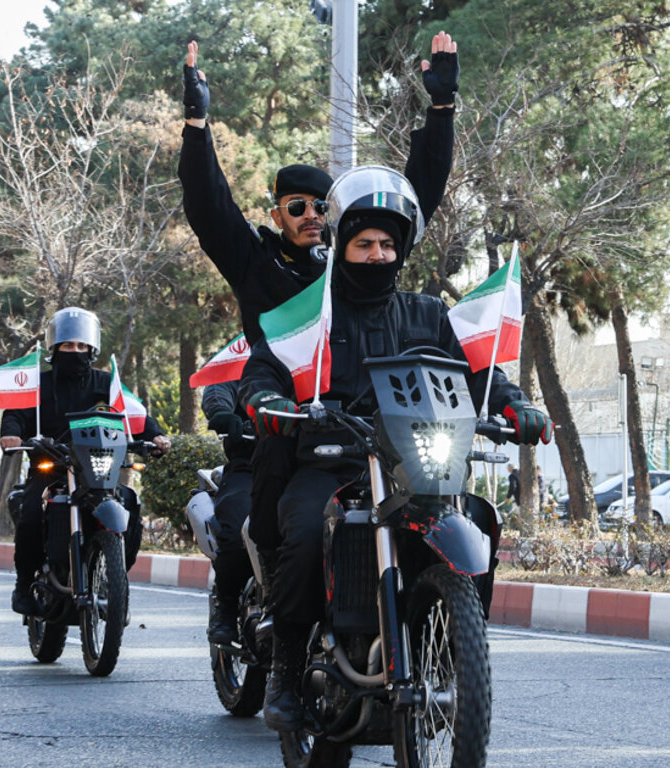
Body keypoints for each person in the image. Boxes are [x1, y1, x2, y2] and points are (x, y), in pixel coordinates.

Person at [241, 165, 554, 732]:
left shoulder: (428, 313)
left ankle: (451, 648)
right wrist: (264, 397)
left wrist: (514, 404)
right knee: (310, 529)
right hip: (332, 460)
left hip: (413, 463)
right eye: (364, 243)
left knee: (475, 517)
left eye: (388, 243)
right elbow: (265, 366)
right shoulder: (310, 310)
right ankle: (286, 669)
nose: (378, 254)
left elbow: (478, 373)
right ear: (343, 244)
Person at [179, 33, 462, 621]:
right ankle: (247, 624)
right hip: (278, 426)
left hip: (375, 438)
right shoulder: (259, 266)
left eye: (319, 206)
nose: (310, 215)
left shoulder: (359, 263)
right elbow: (209, 207)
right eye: (296, 206)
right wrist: (197, 125)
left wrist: (440, 111)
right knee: (255, 531)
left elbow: (415, 199)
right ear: (277, 213)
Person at [0, 307, 172, 616]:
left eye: (81, 346)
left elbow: (134, 413)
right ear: (55, 348)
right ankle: (24, 583)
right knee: (30, 515)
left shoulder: (107, 383)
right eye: (68, 346)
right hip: (50, 468)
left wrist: (156, 436)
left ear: (92, 350)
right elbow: (15, 415)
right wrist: (11, 434)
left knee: (129, 503)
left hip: (97, 471)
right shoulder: (38, 385)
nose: (75, 352)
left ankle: (113, 580)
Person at [200, 380, 258, 645]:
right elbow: (220, 386)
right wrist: (221, 411)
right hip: (251, 465)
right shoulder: (247, 361)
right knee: (238, 530)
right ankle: (227, 609)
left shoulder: (322, 356)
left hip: (314, 463)